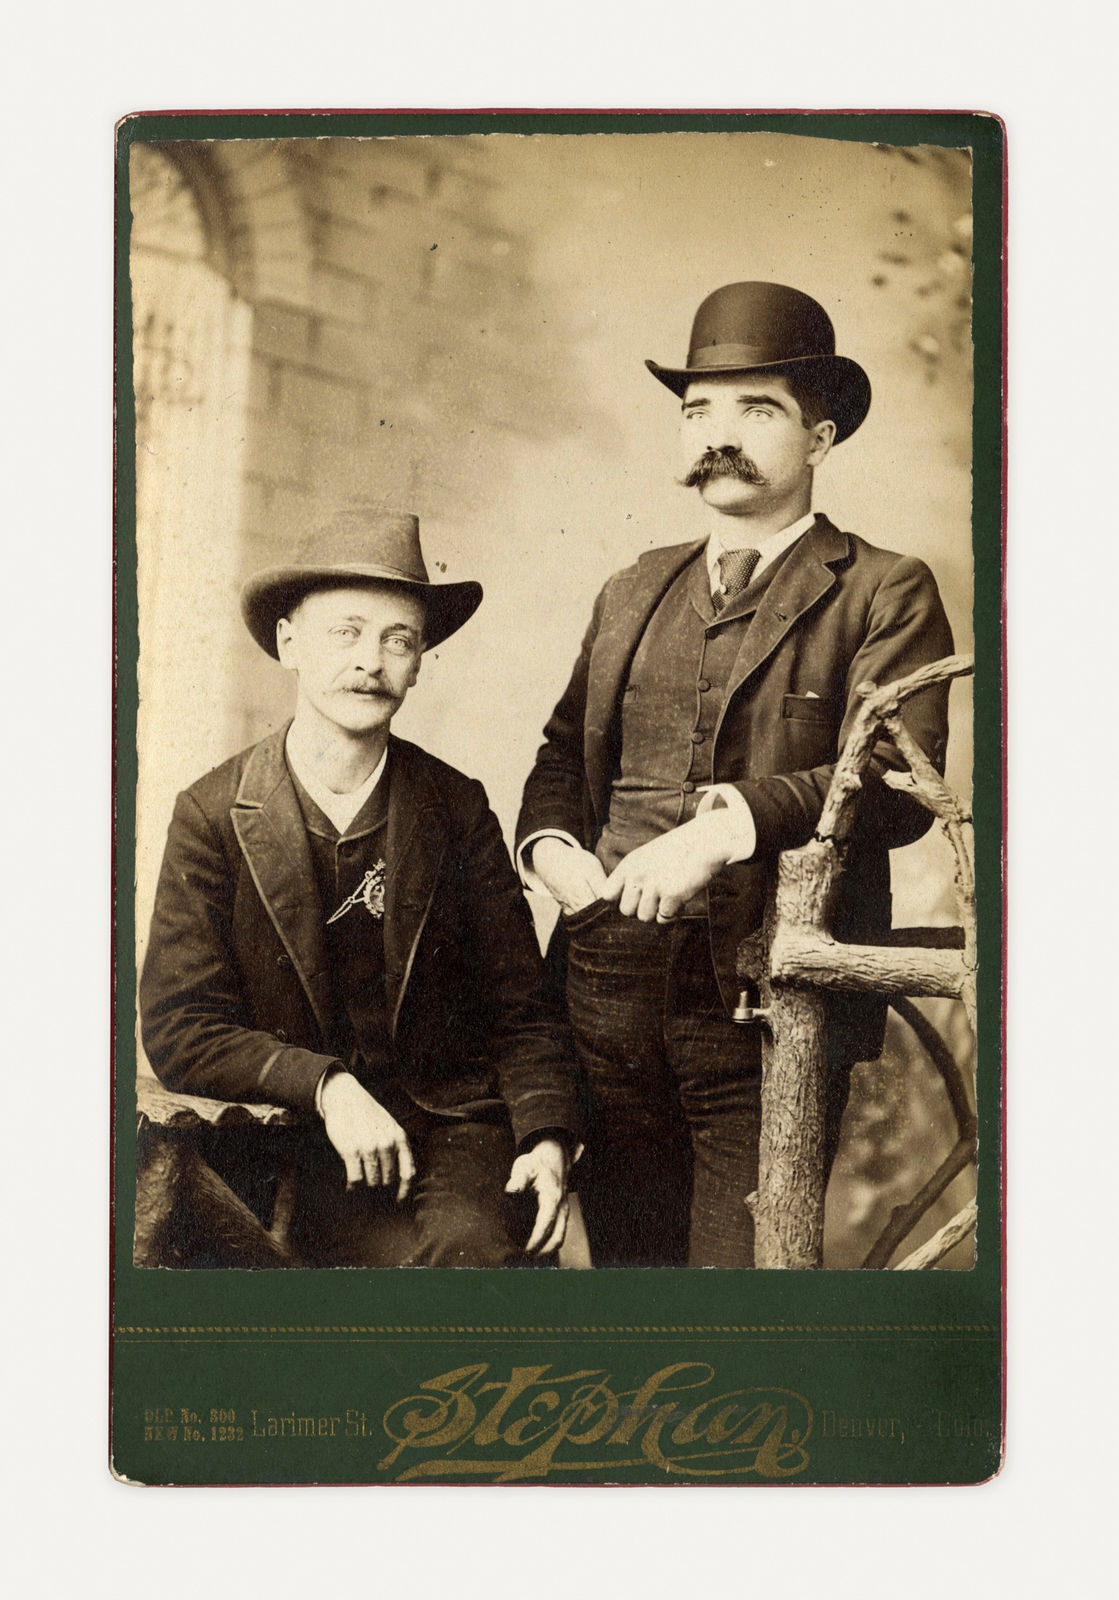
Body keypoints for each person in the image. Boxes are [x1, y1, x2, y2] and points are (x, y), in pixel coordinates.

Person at [516, 281, 954, 1269]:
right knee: (631, 1278)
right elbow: (559, 752)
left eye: (758, 410)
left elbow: (896, 781)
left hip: (761, 1005)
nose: (720, 433)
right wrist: (551, 848)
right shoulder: (632, 586)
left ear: (821, 437)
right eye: (698, 409)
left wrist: (722, 830)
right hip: (604, 990)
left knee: (741, 1286)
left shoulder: (885, 588)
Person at [141, 506, 579, 1268]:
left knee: (472, 1261)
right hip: (292, 1137)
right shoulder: (214, 812)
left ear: (419, 662)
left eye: (397, 639)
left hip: (448, 1130)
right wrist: (326, 1086)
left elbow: (522, 1009)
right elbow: (182, 1025)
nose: (370, 661)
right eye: (344, 632)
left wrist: (546, 1136)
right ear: (289, 644)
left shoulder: (454, 805)